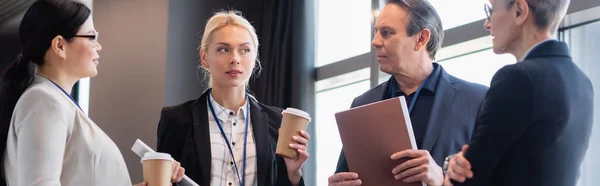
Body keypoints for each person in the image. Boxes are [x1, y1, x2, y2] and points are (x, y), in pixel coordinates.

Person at [0, 1, 184, 186]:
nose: (98, 46)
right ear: (60, 46)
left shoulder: (53, 101)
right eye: (91, 37)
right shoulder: (43, 101)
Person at [328, 0, 488, 185]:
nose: (375, 42)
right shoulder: (362, 104)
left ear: (421, 39)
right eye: (376, 32)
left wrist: (441, 180)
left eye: (386, 33)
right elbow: (345, 174)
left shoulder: (477, 100)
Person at [443, 0, 594, 185]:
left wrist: (451, 173)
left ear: (520, 11)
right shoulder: (583, 83)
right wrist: (455, 164)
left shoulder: (518, 78)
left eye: (491, 9)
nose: (487, 24)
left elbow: (466, 178)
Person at [156, 11, 309, 186]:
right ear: (204, 57)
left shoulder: (277, 121)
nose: (235, 59)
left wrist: (293, 173)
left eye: (244, 50)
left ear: (253, 60)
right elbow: (160, 181)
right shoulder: (176, 119)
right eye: (223, 49)